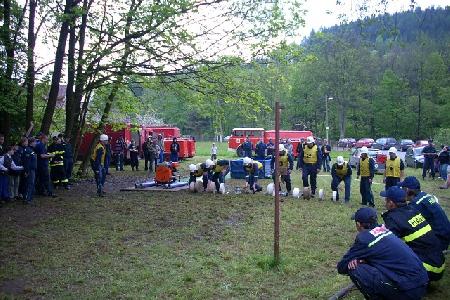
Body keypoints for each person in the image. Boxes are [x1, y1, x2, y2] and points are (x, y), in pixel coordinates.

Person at [337, 207, 429, 300]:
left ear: (358, 224)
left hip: (409, 290)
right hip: (422, 282)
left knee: (355, 269)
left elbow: (342, 267)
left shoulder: (365, 239)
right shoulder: (385, 230)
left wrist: (360, 260)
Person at [381, 186, 445, 281]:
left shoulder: (393, 219)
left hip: (428, 269)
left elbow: (385, 246)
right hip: (439, 264)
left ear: (391, 203)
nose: (385, 203)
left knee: (386, 258)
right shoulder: (413, 210)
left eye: (386, 200)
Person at [399, 176, 450, 251]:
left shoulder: (416, 204)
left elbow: (405, 224)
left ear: (407, 190)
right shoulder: (425, 196)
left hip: (439, 241)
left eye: (402, 189)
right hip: (445, 235)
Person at [21, 138, 37, 204]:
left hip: (32, 170)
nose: (35, 143)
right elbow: (26, 162)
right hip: (29, 170)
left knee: (31, 184)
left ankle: (29, 198)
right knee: (29, 184)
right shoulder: (28, 150)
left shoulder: (31, 150)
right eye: (35, 142)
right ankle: (26, 199)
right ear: (31, 143)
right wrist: (26, 171)